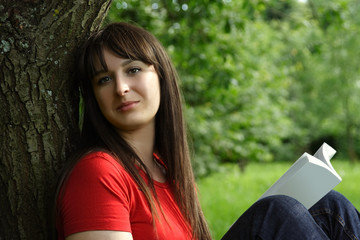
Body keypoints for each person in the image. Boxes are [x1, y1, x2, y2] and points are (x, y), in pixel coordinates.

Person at [55, 22, 360, 240]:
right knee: (276, 212)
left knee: (331, 207)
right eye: (104, 80)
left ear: (161, 77)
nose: (121, 88)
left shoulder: (167, 170)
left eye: (132, 69)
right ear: (94, 97)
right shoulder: (98, 172)